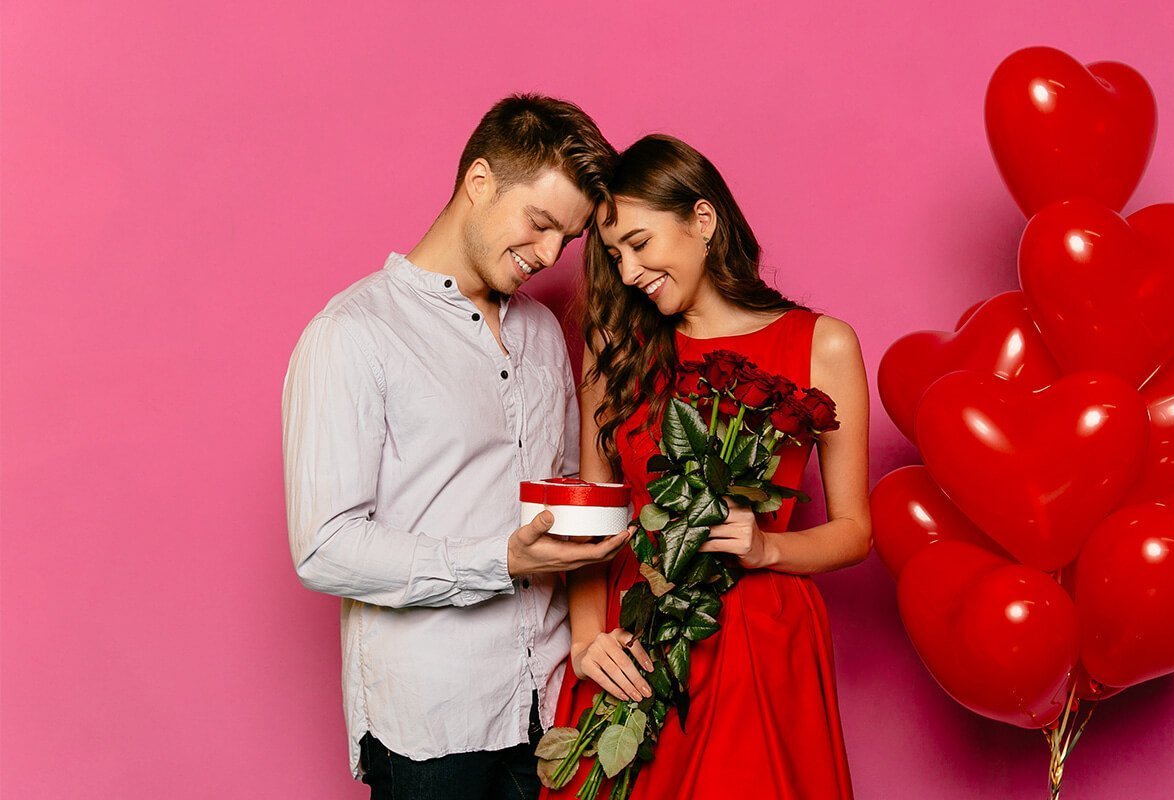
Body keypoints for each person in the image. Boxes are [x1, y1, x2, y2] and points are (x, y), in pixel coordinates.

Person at [282, 94, 628, 800]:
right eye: (538, 224)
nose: (546, 255)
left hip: (549, 707)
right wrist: (498, 559)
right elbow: (324, 546)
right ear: (479, 183)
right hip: (430, 726)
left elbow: (557, 484)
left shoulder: (539, 331)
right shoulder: (354, 334)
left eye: (565, 240)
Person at [543, 134, 871, 799]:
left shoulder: (822, 343)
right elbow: (592, 506)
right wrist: (586, 640)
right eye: (613, 254)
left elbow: (855, 530)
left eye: (640, 244)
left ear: (702, 219)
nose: (628, 272)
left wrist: (769, 545)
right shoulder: (615, 343)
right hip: (635, 640)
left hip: (759, 642)